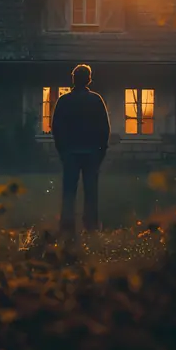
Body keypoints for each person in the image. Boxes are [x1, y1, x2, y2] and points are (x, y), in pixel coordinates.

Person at [51, 63, 111, 235]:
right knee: (91, 191)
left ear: (73, 79)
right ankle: (91, 225)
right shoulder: (96, 100)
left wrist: (62, 150)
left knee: (69, 191)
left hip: (70, 152)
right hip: (92, 152)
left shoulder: (64, 101)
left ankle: (67, 225)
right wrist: (101, 150)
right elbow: (104, 129)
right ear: (89, 80)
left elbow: (56, 128)